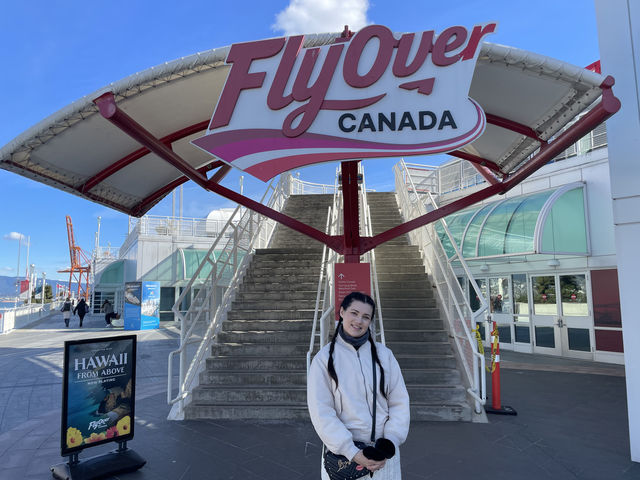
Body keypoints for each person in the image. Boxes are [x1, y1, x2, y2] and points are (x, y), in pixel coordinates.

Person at [308, 291, 410, 479]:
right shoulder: (323, 360)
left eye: (366, 317)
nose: (359, 321)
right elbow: (322, 412)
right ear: (342, 312)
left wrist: (390, 441)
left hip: (382, 457)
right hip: (343, 458)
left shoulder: (384, 355)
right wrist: (351, 451)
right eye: (354, 313)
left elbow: (399, 402)